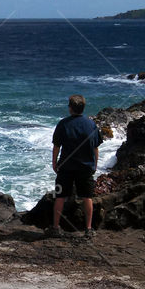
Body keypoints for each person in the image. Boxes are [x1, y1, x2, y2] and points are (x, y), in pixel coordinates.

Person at [47, 94, 102, 239]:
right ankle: (88, 229)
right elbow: (95, 147)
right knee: (87, 197)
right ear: (83, 108)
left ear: (70, 108)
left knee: (60, 196)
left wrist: (54, 162)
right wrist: (95, 164)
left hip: (66, 167)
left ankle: (55, 227)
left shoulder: (63, 124)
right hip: (85, 167)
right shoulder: (91, 124)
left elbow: (56, 146)